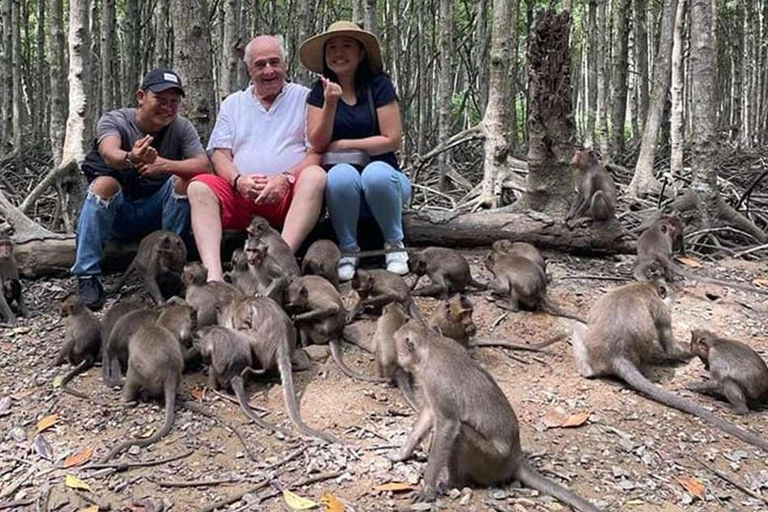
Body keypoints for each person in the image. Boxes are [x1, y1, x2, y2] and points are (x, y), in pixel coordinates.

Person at [187, 35, 326, 282]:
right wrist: (238, 179)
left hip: (288, 195)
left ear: (285, 64)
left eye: (274, 62)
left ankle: (280, 258)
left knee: (315, 176)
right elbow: (220, 153)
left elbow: (315, 152)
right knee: (198, 186)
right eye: (260, 65)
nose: (269, 71)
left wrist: (285, 179)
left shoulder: (305, 98)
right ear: (249, 69)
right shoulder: (233, 103)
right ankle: (214, 277)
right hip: (242, 195)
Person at [72, 68, 211, 310]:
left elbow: (204, 165)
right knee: (103, 185)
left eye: (173, 102)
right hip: (121, 212)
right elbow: (109, 152)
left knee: (185, 180)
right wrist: (131, 157)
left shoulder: (181, 128)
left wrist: (164, 165)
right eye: (160, 99)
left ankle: (170, 266)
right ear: (141, 96)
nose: (167, 107)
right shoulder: (116, 120)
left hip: (159, 214)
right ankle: (87, 274)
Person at [300, 21, 410, 282]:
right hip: (343, 192)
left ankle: (395, 245)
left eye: (347, 45)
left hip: (386, 182)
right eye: (333, 47)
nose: (339, 52)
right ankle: (348, 248)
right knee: (339, 175)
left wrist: (346, 144)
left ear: (361, 53)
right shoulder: (319, 92)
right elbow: (318, 142)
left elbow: (392, 139)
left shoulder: (378, 85)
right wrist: (330, 103)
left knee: (375, 174)